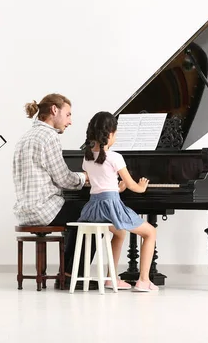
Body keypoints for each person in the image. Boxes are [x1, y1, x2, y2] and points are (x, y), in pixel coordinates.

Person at [12, 93, 97, 288]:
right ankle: (71, 276)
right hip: (43, 210)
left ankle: (66, 273)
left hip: (25, 211)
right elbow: (64, 178)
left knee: (79, 212)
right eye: (68, 115)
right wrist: (86, 177)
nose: (70, 121)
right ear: (54, 110)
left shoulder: (25, 137)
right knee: (94, 213)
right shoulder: (48, 136)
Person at [78, 111, 159, 292]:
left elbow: (102, 183)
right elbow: (132, 185)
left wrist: (118, 188)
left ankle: (111, 278)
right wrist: (141, 187)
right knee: (150, 232)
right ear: (110, 134)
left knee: (120, 233)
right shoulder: (115, 157)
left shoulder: (87, 157)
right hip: (111, 206)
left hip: (94, 208)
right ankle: (144, 280)